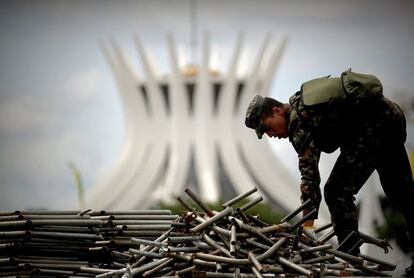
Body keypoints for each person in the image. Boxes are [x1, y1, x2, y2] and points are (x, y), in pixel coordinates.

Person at [245, 69, 414, 275]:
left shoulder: (299, 122)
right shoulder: (303, 104)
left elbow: (309, 178)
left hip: (375, 127)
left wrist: (307, 227)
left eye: (268, 127)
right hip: (391, 118)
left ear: (277, 111)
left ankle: (350, 259)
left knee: (336, 190)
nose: (271, 135)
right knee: (404, 195)